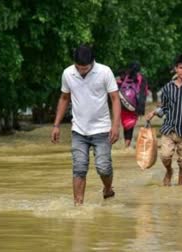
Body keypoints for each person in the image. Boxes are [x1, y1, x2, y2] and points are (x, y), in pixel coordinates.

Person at [51, 45, 120, 206]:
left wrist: (115, 126)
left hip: (102, 129)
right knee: (79, 168)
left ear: (92, 63)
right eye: (78, 68)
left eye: (85, 68)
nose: (81, 71)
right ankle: (78, 205)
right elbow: (64, 98)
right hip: (78, 130)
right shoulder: (68, 73)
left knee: (103, 167)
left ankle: (108, 188)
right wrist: (56, 125)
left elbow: (115, 99)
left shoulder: (104, 72)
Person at [145, 54, 182, 186]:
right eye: (181, 68)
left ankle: (180, 188)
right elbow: (164, 107)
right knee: (165, 156)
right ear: (176, 69)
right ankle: (169, 171)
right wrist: (154, 113)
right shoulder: (168, 88)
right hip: (169, 129)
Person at [117, 62, 148, 149]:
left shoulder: (123, 76)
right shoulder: (142, 79)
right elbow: (143, 94)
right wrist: (141, 110)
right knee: (131, 125)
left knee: (125, 124)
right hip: (134, 105)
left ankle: (126, 144)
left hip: (123, 104)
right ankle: (128, 144)